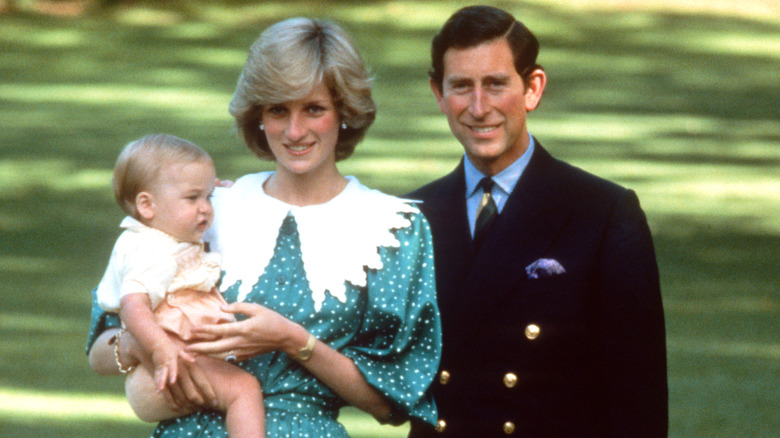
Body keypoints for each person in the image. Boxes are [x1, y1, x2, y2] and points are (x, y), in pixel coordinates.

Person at [86, 17, 442, 437]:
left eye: (314, 108)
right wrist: (147, 345)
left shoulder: (392, 229)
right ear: (257, 116)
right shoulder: (205, 209)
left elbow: (391, 405)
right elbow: (98, 352)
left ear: (344, 112)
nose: (294, 131)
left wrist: (294, 341)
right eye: (278, 110)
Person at [407, 5, 668, 437]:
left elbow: (637, 398)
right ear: (437, 93)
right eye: (460, 86)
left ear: (533, 88)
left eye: (495, 84)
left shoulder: (601, 213)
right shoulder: (414, 215)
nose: (478, 106)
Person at [95, 134, 265, 437]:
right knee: (244, 389)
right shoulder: (148, 251)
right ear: (147, 205)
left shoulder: (163, 238)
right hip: (167, 367)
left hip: (172, 365)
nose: (205, 208)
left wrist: (219, 196)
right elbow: (133, 306)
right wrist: (161, 350)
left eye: (208, 197)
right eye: (193, 198)